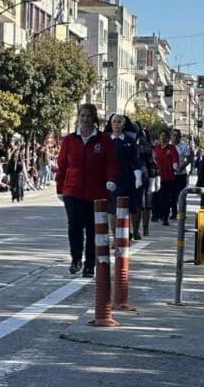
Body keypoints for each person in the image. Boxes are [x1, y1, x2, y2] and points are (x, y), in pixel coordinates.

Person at [56, 103, 120, 277]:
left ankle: (89, 264)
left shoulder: (104, 140)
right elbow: (62, 165)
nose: (85, 119)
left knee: (92, 229)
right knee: (74, 227)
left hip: (96, 191)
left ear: (94, 119)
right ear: (78, 117)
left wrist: (111, 180)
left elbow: (111, 163)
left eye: (88, 116)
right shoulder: (69, 140)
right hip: (73, 190)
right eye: (82, 116)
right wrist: (59, 187)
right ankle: (76, 258)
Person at [105, 114, 143, 241]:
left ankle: (125, 233)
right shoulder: (105, 141)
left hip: (126, 178)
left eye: (119, 122)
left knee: (124, 207)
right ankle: (115, 237)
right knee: (111, 209)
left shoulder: (129, 141)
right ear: (111, 124)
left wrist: (138, 176)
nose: (116, 124)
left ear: (123, 124)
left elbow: (135, 160)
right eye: (114, 121)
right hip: (110, 179)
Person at [153, 129, 179, 227]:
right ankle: (157, 215)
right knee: (158, 198)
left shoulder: (171, 148)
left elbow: (175, 158)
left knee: (167, 199)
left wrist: (175, 164)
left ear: (168, 138)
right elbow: (153, 159)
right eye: (161, 136)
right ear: (159, 137)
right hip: (158, 177)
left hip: (169, 178)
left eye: (165, 136)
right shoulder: (156, 148)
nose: (163, 138)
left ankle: (165, 218)